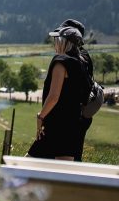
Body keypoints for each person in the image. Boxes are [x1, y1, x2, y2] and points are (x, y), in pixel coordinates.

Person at [30, 21, 94, 161]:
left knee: (27, 167)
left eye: (56, 39)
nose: (54, 43)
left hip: (57, 126)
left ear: (63, 42)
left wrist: (41, 117)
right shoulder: (81, 63)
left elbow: (54, 96)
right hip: (74, 126)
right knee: (64, 175)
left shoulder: (61, 62)